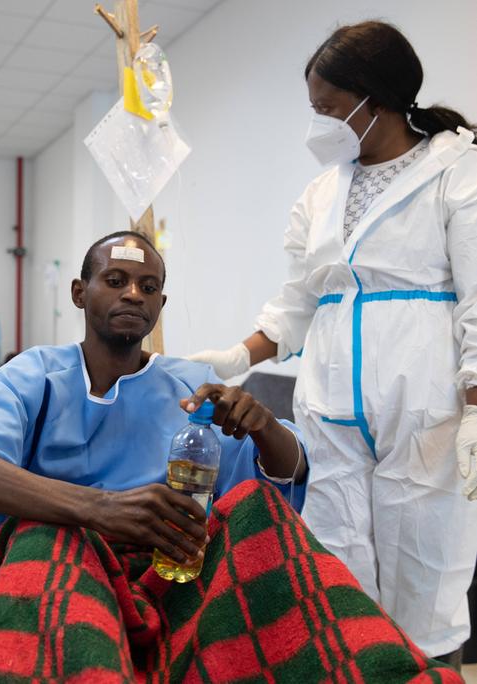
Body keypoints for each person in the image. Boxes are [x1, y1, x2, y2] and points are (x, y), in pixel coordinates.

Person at [0, 231, 460, 682]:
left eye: (148, 286)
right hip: (64, 559)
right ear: (80, 292)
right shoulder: (37, 375)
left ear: (161, 303)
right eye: (115, 280)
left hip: (169, 569)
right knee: (48, 535)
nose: (133, 294)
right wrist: (99, 510)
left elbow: (286, 476)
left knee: (255, 511)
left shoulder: (188, 386)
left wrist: (265, 427)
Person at [188, 20, 477, 668]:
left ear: (372, 102)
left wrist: (475, 404)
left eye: (326, 108)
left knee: (425, 581)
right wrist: (242, 354)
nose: (317, 122)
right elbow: (298, 299)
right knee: (331, 572)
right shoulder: (321, 193)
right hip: (331, 411)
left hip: (421, 408)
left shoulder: (455, 171)